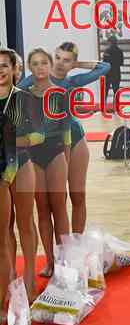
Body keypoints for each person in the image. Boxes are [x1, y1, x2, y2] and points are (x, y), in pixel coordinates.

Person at [18, 42, 110, 233]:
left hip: (74, 138)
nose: (60, 63)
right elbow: (13, 97)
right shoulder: (33, 79)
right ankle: (59, 248)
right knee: (56, 201)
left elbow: (104, 67)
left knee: (78, 196)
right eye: (58, 58)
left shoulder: (72, 82)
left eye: (67, 60)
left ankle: (76, 245)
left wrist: (78, 64)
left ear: (72, 63)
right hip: (47, 144)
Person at [0, 49, 44, 308]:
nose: (0, 70)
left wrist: (11, 140)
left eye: (5, 65)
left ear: (15, 69)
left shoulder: (24, 98)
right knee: (4, 229)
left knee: (25, 223)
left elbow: (38, 136)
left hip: (22, 164)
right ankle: (8, 278)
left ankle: (29, 278)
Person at [26, 49, 71, 278]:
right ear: (29, 68)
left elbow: (66, 131)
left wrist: (67, 160)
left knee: (59, 208)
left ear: (50, 65)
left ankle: (65, 263)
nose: (40, 67)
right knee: (42, 209)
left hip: (56, 154)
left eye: (44, 62)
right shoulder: (23, 95)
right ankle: (50, 262)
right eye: (35, 63)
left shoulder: (60, 94)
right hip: (34, 157)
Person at [103, 35, 124, 108]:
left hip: (108, 73)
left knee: (105, 91)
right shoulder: (120, 51)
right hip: (116, 73)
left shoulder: (107, 51)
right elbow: (121, 63)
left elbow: (104, 62)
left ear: (110, 42)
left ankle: (103, 106)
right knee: (116, 91)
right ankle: (115, 107)